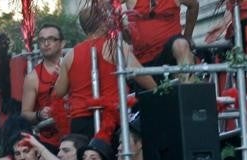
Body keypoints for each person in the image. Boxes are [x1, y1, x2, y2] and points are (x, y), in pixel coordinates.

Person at [52, 3, 156, 139]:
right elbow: (143, 78)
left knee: (86, 159)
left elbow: (58, 92)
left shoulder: (70, 55)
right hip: (111, 118)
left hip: (80, 122)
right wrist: (159, 90)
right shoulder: (115, 47)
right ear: (102, 22)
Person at [20, 24, 68, 150]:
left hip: (75, 135)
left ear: (62, 43)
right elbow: (25, 114)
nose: (46, 43)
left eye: (51, 39)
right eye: (42, 40)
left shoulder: (73, 66)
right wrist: (39, 115)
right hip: (49, 141)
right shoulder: (32, 77)